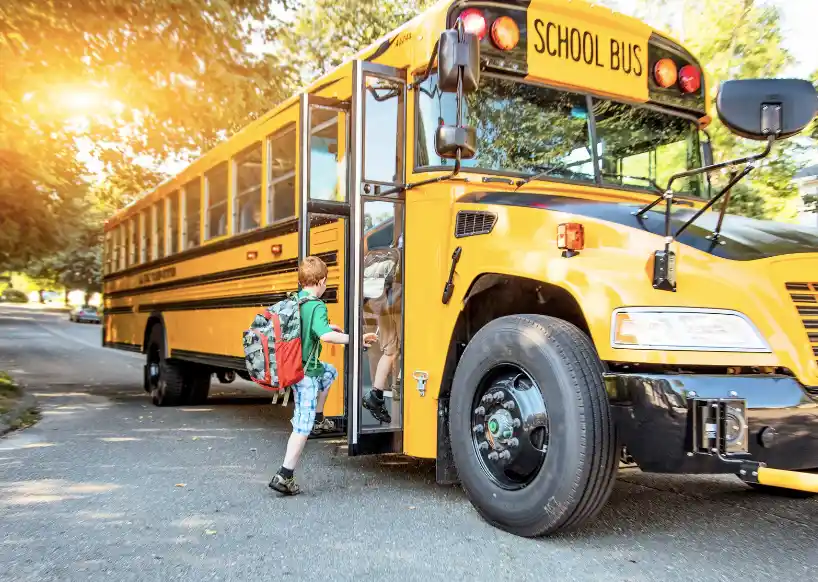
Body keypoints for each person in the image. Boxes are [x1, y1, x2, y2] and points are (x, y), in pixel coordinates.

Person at [269, 255, 376, 496]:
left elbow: (315, 329)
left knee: (329, 372)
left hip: (299, 368)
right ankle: (284, 475)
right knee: (301, 427)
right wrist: (355, 340)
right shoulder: (317, 305)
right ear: (322, 281)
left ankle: (318, 417)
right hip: (305, 376)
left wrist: (329, 327)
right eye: (326, 282)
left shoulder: (296, 301)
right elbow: (325, 337)